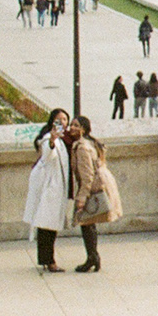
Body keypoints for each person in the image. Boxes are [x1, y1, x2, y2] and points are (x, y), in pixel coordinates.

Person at [22, 109, 73, 274]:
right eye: (59, 120)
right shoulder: (48, 138)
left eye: (65, 119)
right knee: (47, 225)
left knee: (49, 225)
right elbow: (48, 154)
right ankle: (49, 260)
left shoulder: (64, 139)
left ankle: (46, 259)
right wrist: (52, 140)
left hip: (57, 187)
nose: (62, 123)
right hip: (50, 187)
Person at [65, 116, 117, 272]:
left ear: (83, 129)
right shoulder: (89, 143)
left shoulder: (82, 148)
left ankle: (93, 257)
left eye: (76, 125)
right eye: (71, 125)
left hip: (90, 189)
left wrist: (82, 198)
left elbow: (87, 176)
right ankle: (93, 256)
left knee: (86, 223)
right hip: (96, 186)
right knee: (89, 224)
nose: (72, 128)